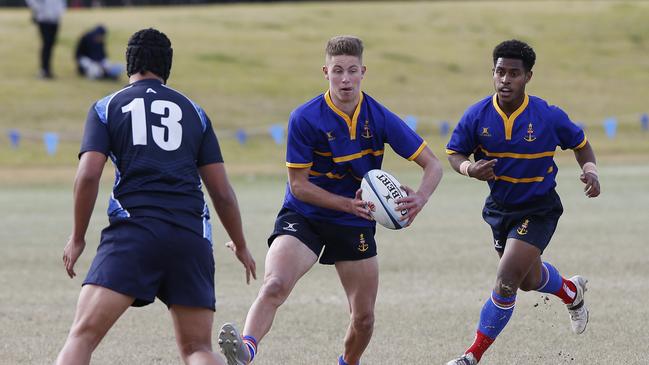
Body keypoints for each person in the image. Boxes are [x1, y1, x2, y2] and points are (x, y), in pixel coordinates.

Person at [217, 35, 444, 365]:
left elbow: (433, 165)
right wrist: (345, 203)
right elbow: (298, 185)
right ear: (326, 72)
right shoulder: (305, 117)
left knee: (364, 318)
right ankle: (246, 350)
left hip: (354, 222)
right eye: (338, 71)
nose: (345, 79)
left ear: (363, 72)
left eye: (352, 70)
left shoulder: (379, 117)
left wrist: (421, 197)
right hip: (306, 214)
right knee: (275, 284)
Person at [55, 28, 256, 365]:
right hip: (190, 236)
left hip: (135, 232)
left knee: (83, 336)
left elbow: (88, 174)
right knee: (197, 349)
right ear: (168, 66)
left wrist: (77, 237)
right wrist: (241, 243)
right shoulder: (195, 112)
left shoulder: (107, 107)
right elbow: (221, 192)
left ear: (128, 63)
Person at [445, 39, 600, 365]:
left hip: (540, 208)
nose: (505, 80)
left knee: (506, 278)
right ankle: (572, 292)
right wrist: (469, 168)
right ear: (493, 73)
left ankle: (471, 356)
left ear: (528, 76)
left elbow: (581, 144)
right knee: (528, 280)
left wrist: (590, 170)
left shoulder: (547, 115)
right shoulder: (477, 115)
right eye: (500, 72)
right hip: (500, 210)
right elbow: (453, 152)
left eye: (513, 73)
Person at [25, 0, 65, 79]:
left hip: (55, 19)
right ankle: (44, 69)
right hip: (44, 19)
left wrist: (59, 11)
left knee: (51, 45)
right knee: (47, 43)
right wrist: (39, 10)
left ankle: (48, 69)